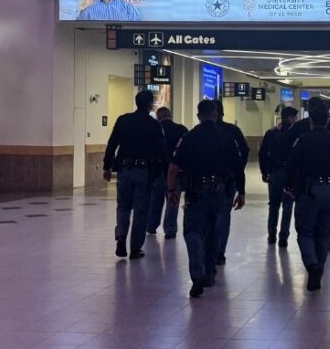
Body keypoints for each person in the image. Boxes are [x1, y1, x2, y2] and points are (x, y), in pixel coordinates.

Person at [167, 100, 240, 298]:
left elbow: (173, 168)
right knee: (213, 231)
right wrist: (240, 192)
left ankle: (197, 274)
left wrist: (171, 190)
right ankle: (209, 272)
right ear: (215, 115)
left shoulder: (188, 138)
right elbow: (237, 167)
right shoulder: (226, 138)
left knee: (193, 232)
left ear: (198, 115)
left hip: (195, 192)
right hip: (219, 192)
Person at [284, 101, 330, 292]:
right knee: (323, 234)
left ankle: (312, 265)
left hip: (309, 192)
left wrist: (289, 185)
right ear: (328, 121)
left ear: (311, 121)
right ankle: (319, 269)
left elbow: (290, 165)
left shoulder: (303, 140)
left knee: (305, 232)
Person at [103, 90, 169, 259]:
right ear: (150, 105)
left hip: (124, 171)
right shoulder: (154, 125)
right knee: (141, 210)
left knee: (123, 206)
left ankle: (121, 238)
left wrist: (107, 166)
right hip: (144, 172)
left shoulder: (123, 120)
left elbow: (112, 143)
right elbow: (161, 152)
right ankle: (135, 248)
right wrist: (166, 174)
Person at [213, 100, 249, 266]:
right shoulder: (232, 131)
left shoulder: (196, 133)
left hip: (201, 183)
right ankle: (219, 252)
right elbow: (245, 151)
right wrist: (239, 172)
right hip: (227, 180)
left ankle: (208, 250)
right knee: (223, 216)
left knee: (206, 217)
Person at [259, 107, 299, 247]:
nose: (296, 120)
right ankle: (284, 236)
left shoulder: (271, 133)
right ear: (289, 118)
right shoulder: (295, 135)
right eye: (294, 117)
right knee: (288, 205)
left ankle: (271, 235)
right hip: (289, 174)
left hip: (274, 172)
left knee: (274, 205)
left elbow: (262, 153)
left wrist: (264, 171)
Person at [148, 107, 187, 239]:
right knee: (172, 201)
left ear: (158, 117)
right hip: (176, 171)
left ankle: (151, 226)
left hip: (157, 171)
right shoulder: (181, 129)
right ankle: (170, 229)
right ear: (170, 115)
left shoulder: (154, 129)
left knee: (155, 201)